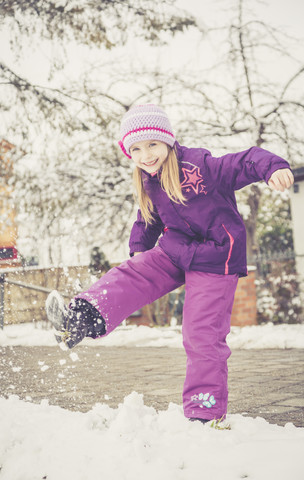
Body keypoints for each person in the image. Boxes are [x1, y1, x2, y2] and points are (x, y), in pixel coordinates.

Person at [46, 104, 294, 423]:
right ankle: (80, 319)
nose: (146, 154)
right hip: (176, 249)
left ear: (168, 141)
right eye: (136, 148)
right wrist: (139, 251)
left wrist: (272, 167)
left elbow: (244, 161)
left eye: (152, 145)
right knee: (130, 274)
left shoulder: (201, 165)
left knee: (200, 332)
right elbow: (146, 219)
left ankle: (204, 410)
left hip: (217, 257)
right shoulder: (148, 181)